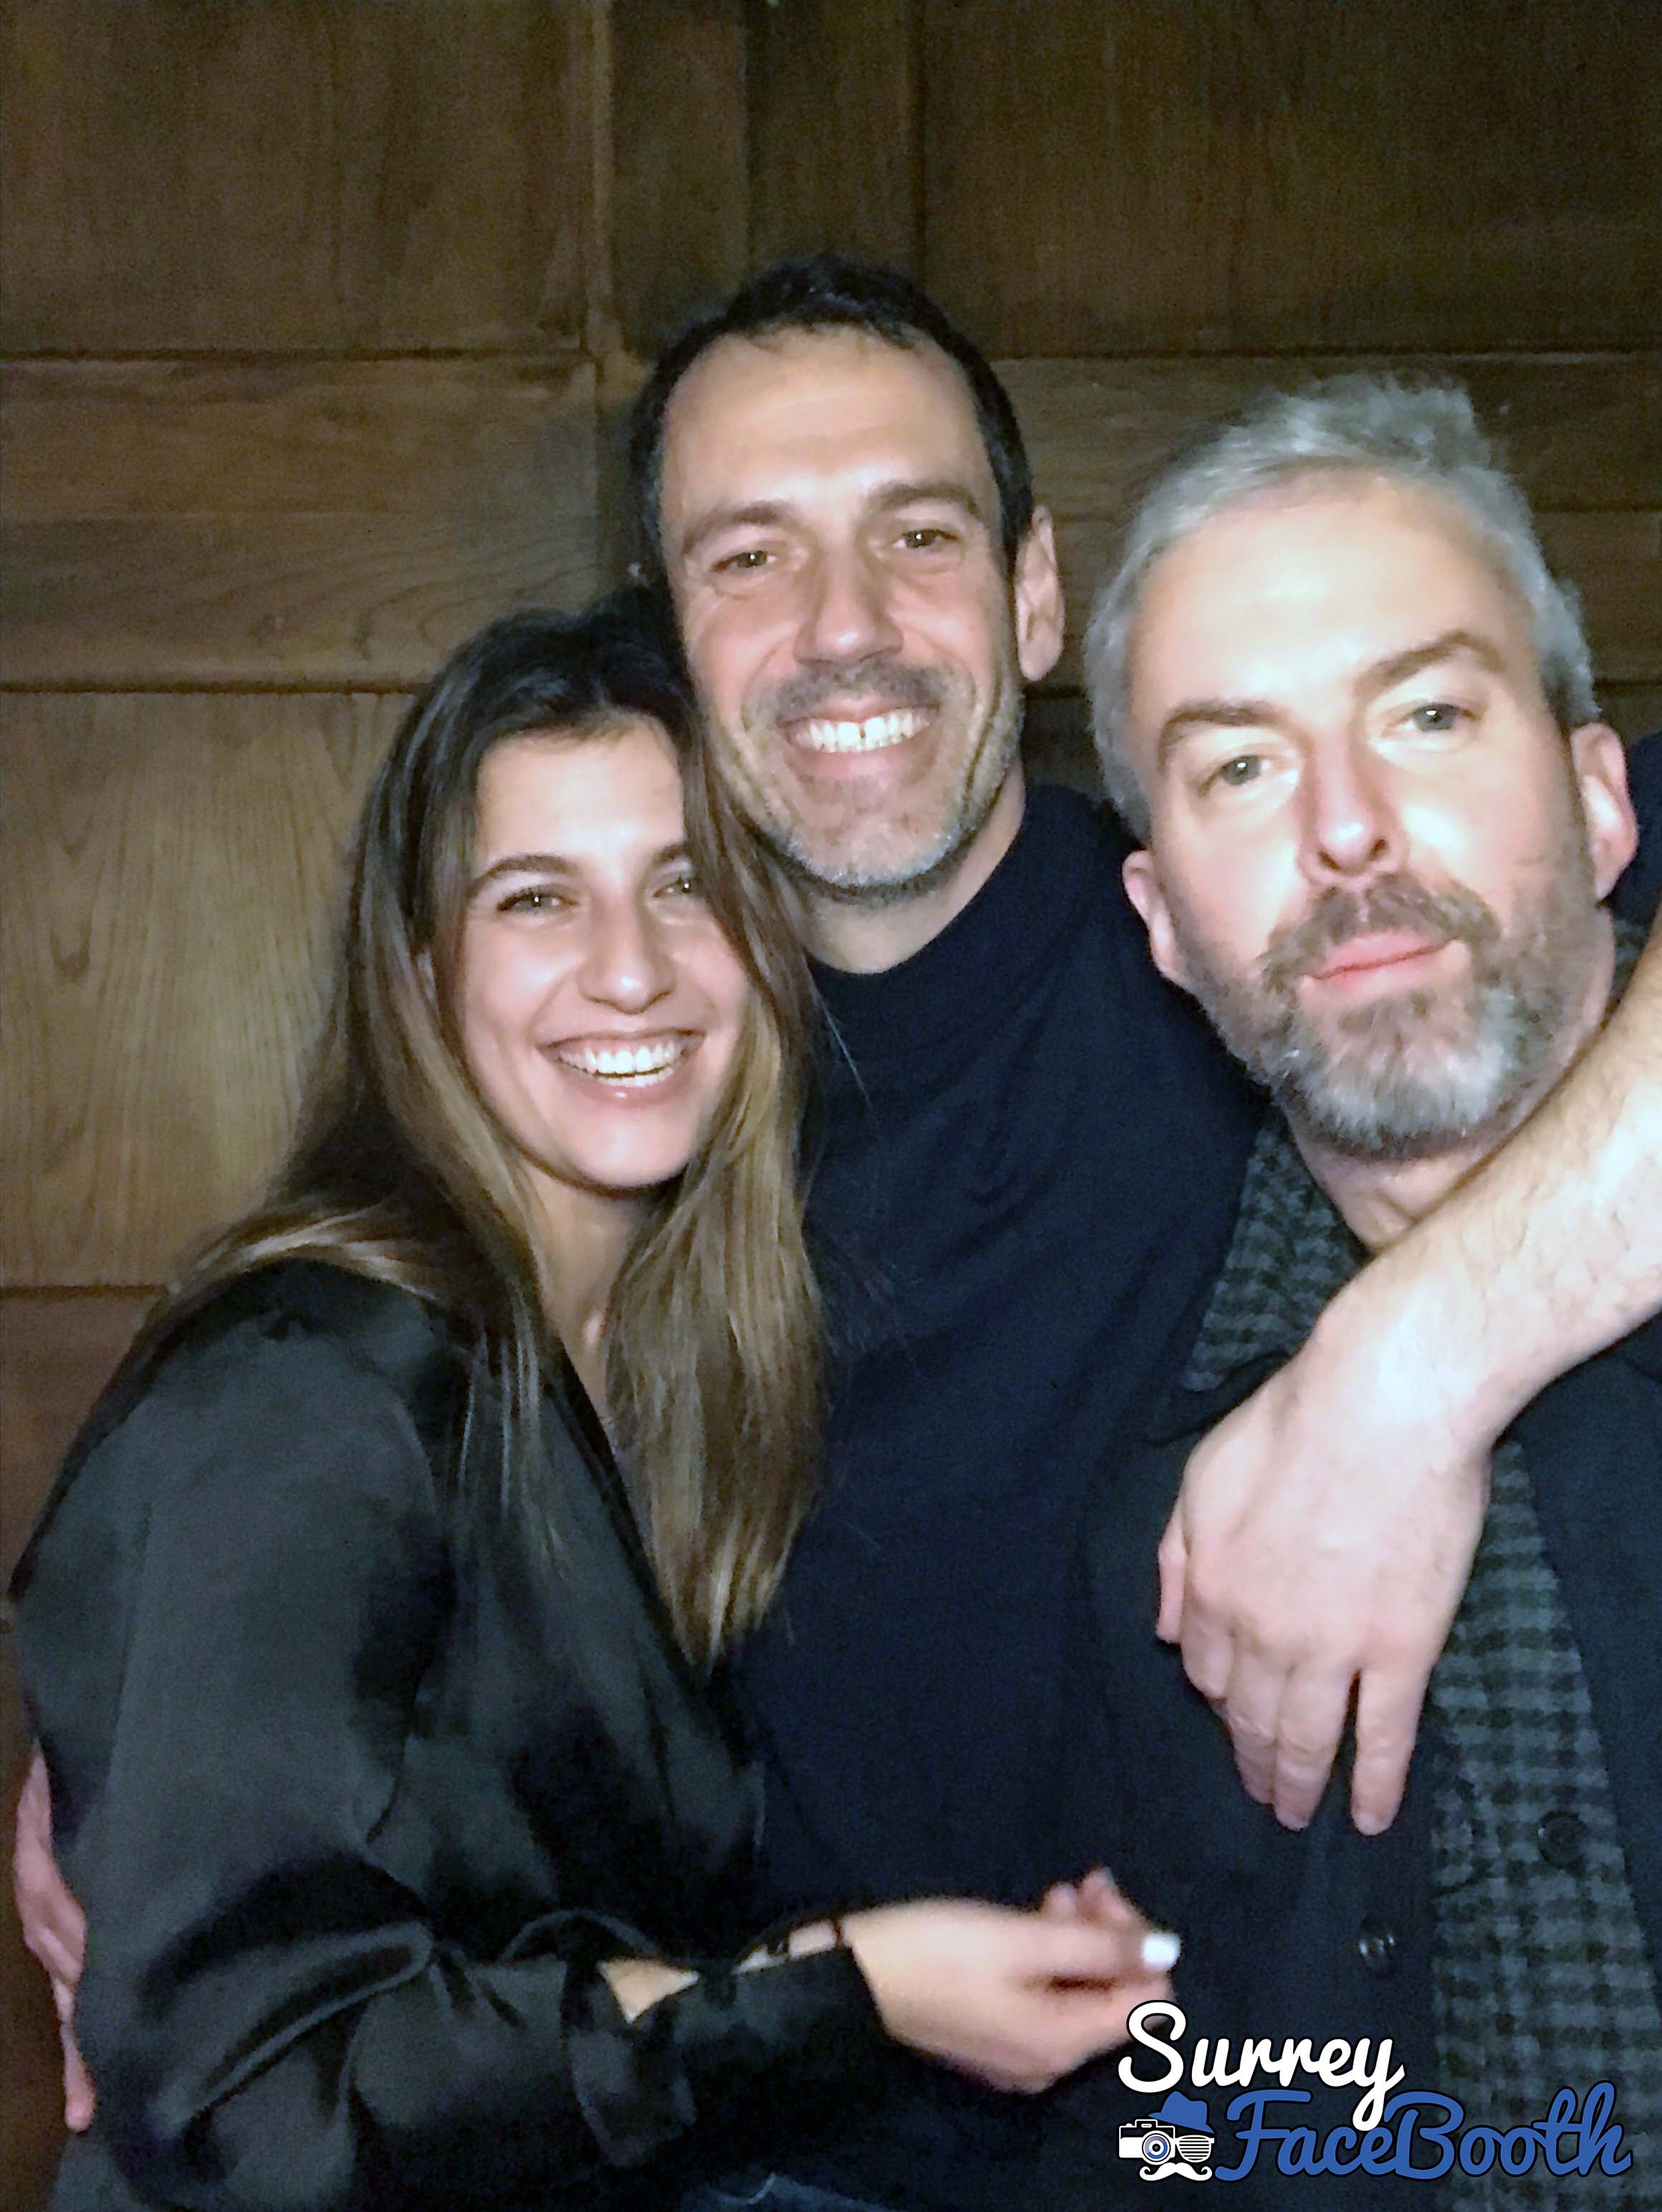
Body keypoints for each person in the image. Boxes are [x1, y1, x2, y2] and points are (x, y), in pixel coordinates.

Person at [17, 259, 1662, 2208]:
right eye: (749, 558)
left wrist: (1408, 1368)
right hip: (739, 2143)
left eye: (917, 534)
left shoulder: (1275, 948)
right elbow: (333, 1451)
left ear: (1033, 596)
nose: (845, 626)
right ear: (669, 638)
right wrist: (186, 1747)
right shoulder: (636, 1079)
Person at [8, 597, 1175, 2212]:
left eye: (685, 885)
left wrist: (868, 1972)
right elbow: (254, 2097)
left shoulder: (663, 1346)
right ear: (424, 967)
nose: (629, 971)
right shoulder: (309, 1382)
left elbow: (515, 1936)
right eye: (538, 897)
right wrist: (848, 1992)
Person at [1072, 375, 1662, 2205]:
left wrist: (1412, 1367)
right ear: (1160, 924)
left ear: (1602, 800)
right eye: (1239, 766)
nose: (1344, 827)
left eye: (1424, 713)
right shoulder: (1147, 1496)